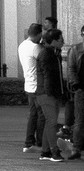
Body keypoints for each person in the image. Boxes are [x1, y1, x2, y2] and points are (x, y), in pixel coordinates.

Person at [33, 29, 67, 160]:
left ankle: (46, 151)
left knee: (49, 123)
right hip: (47, 94)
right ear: (54, 41)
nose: (63, 42)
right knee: (51, 122)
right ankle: (54, 151)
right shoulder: (47, 54)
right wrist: (53, 93)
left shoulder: (52, 53)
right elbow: (48, 76)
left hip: (49, 92)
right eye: (60, 39)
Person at [20, 22, 44, 152]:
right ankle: (39, 142)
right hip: (37, 85)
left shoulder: (22, 45)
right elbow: (43, 60)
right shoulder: (35, 48)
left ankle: (29, 142)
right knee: (41, 115)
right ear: (39, 34)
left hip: (28, 84)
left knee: (32, 114)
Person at [65, 24, 84, 161]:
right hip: (81, 89)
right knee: (80, 120)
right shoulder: (76, 50)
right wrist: (75, 84)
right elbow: (71, 69)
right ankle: (76, 148)